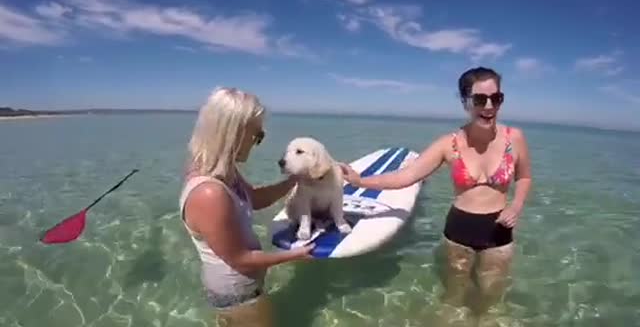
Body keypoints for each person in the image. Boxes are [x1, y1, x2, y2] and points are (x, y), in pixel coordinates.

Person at [340, 67, 532, 318]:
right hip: (459, 232)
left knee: (490, 296)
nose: (489, 106)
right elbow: (406, 176)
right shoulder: (448, 144)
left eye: (496, 98)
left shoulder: (514, 138)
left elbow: (525, 176)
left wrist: (515, 206)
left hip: (499, 232)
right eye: (479, 99)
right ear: (465, 102)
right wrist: (360, 180)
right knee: (453, 297)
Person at [179, 86, 314, 327]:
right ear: (234, 134)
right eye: (257, 136)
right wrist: (296, 254)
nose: (257, 143)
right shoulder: (210, 193)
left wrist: (293, 181)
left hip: (239, 288)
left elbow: (255, 198)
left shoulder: (222, 172)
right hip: (236, 294)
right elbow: (240, 259)